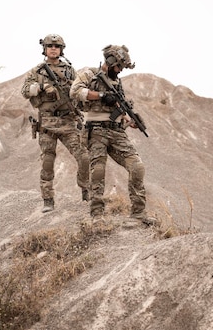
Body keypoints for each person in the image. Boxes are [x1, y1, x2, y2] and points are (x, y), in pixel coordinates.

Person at [70, 44, 156, 225]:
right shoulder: (89, 74)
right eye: (118, 66)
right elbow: (75, 91)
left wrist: (130, 119)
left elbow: (117, 107)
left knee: (137, 167)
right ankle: (97, 214)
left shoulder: (117, 82)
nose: (120, 71)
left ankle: (138, 213)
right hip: (96, 130)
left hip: (117, 132)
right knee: (98, 170)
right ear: (110, 61)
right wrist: (101, 95)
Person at [21, 34, 89, 213]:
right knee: (48, 162)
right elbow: (25, 90)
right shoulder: (37, 71)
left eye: (56, 46)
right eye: (49, 46)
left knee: (83, 157)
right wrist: (42, 87)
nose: (53, 48)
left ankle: (86, 191)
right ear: (44, 49)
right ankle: (48, 199)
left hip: (68, 122)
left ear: (61, 49)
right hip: (47, 123)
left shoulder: (70, 71)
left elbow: (79, 90)